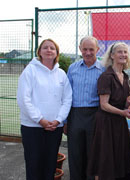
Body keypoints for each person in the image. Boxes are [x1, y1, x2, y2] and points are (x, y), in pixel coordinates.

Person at [17, 39, 72, 180]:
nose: (49, 50)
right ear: (39, 52)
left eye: (52, 48)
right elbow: (24, 99)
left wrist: (58, 120)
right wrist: (40, 120)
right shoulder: (30, 71)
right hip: (32, 127)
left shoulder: (61, 74)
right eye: (45, 47)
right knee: (33, 165)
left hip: (55, 128)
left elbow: (67, 99)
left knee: (50, 166)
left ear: (56, 53)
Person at [87, 42, 130, 180]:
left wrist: (129, 101)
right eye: (120, 52)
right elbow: (104, 105)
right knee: (104, 161)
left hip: (119, 123)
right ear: (112, 55)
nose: (123, 55)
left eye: (125, 52)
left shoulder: (125, 76)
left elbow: (123, 102)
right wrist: (123, 113)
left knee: (118, 160)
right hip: (106, 124)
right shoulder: (106, 76)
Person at [65, 36, 105, 180]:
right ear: (80, 49)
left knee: (92, 154)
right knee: (75, 154)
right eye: (85, 49)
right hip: (75, 115)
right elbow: (66, 95)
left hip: (95, 115)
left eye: (91, 49)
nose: (88, 52)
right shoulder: (73, 68)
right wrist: (65, 121)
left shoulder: (104, 69)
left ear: (97, 50)